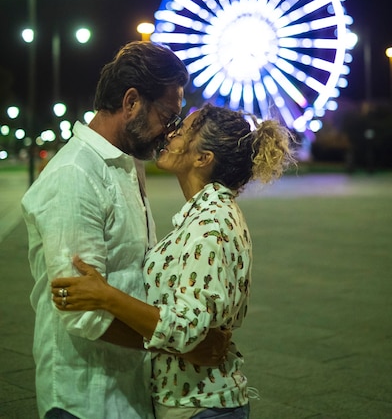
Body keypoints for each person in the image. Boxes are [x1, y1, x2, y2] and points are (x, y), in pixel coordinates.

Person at [22, 41, 226, 419]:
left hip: (128, 389)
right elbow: (79, 312)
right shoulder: (75, 175)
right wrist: (177, 345)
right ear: (131, 101)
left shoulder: (128, 165)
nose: (171, 130)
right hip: (86, 396)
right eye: (168, 115)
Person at [51, 104, 296, 419]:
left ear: (202, 158)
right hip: (195, 403)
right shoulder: (208, 215)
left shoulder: (211, 224)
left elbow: (186, 328)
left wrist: (105, 296)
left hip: (201, 405)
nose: (171, 132)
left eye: (184, 130)